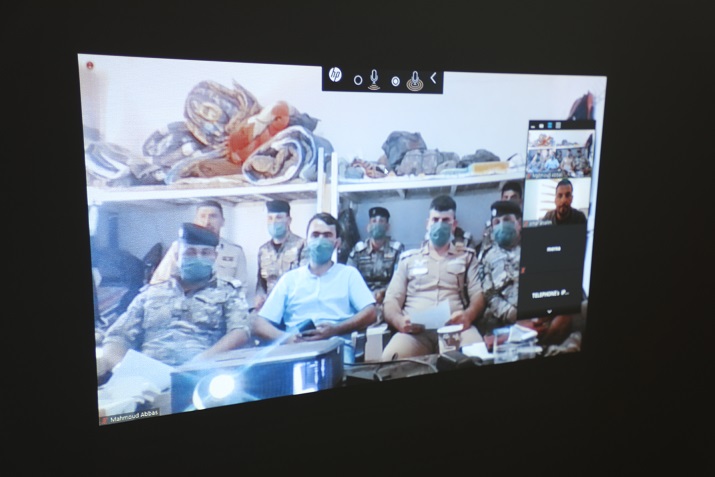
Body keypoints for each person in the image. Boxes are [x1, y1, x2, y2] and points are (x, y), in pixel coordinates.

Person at [96, 223, 252, 379]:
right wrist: (123, 370)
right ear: (177, 256)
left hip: (201, 375)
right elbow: (117, 337)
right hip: (147, 378)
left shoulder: (228, 292)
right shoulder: (151, 293)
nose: (198, 258)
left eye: (205, 253)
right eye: (190, 252)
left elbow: (240, 332)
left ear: (215, 257)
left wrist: (200, 363)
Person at [251, 212, 377, 362]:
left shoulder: (349, 274)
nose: (320, 240)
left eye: (327, 235)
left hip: (337, 347)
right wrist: (287, 338)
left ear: (337, 243)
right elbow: (259, 324)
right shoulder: (289, 279)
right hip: (296, 349)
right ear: (307, 241)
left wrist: (336, 329)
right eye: (315, 235)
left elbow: (371, 313)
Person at [380, 195, 483, 360]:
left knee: (478, 357)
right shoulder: (408, 259)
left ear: (454, 225)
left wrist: (468, 316)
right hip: (415, 333)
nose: (440, 224)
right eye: (435, 220)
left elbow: (478, 294)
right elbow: (391, 300)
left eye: (446, 220)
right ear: (427, 223)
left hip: (456, 329)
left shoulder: (467, 257)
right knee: (390, 359)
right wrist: (399, 321)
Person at [473, 200, 572, 347]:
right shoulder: (487, 257)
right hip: (512, 320)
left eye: (507, 220)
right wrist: (518, 318)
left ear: (519, 223)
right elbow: (491, 296)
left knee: (567, 318)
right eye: (496, 222)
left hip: (544, 313)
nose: (501, 225)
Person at [150, 200, 249, 288]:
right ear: (195, 221)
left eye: (213, 216)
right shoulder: (179, 247)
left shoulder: (234, 251)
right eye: (202, 216)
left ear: (223, 221)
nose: (207, 222)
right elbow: (158, 282)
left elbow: (241, 286)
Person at [347, 206, 404, 322]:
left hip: (389, 297)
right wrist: (367, 296)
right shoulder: (358, 250)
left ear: (387, 227)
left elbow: (399, 279)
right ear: (368, 226)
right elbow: (349, 278)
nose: (377, 224)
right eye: (374, 221)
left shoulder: (397, 249)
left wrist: (383, 292)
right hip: (363, 299)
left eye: (381, 221)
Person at [254, 199, 306, 311]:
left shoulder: (302, 245)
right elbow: (261, 284)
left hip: (294, 308)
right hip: (270, 309)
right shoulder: (263, 250)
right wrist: (259, 298)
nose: (273, 222)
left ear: (289, 220)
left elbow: (306, 281)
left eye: (278, 218)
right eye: (270, 218)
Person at [477, 180, 523, 261]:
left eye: (513, 197)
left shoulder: (526, 222)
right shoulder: (493, 223)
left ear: (520, 200)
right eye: (506, 197)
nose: (509, 200)